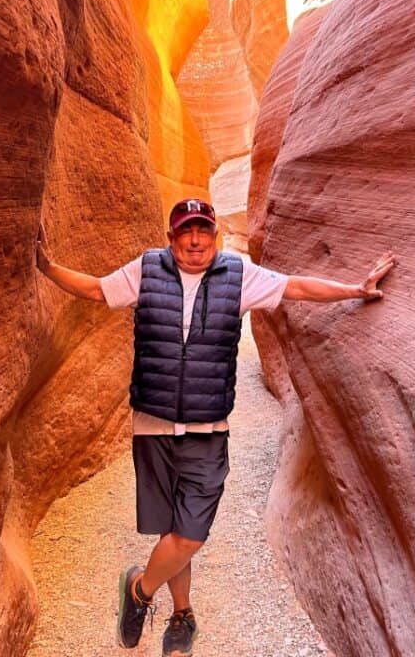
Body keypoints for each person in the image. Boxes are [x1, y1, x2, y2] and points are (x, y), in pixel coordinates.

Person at [34, 198, 396, 657]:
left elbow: (296, 289)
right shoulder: (146, 271)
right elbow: (95, 290)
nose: (195, 240)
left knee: (190, 533)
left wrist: (354, 289)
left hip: (208, 428)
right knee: (170, 531)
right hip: (153, 425)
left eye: (203, 230)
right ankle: (182, 616)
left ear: (215, 236)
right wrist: (46, 267)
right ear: (171, 238)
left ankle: (139, 590)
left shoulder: (238, 275)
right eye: (186, 232)